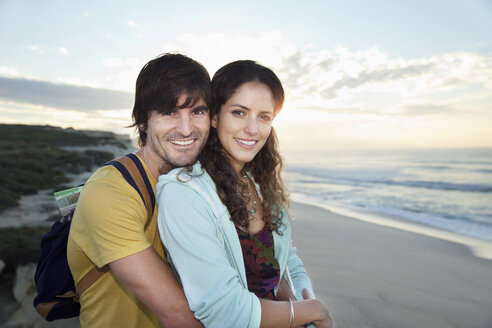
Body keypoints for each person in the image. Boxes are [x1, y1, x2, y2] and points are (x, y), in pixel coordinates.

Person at [157, 60, 333, 327]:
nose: (253, 129)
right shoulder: (184, 195)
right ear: (215, 117)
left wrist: (301, 296)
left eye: (264, 117)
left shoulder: (258, 183)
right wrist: (311, 312)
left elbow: (288, 261)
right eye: (239, 112)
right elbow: (223, 310)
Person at [67, 53, 210, 327]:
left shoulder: (198, 183)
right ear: (143, 121)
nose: (186, 128)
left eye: (197, 111)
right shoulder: (110, 192)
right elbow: (177, 314)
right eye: (169, 112)